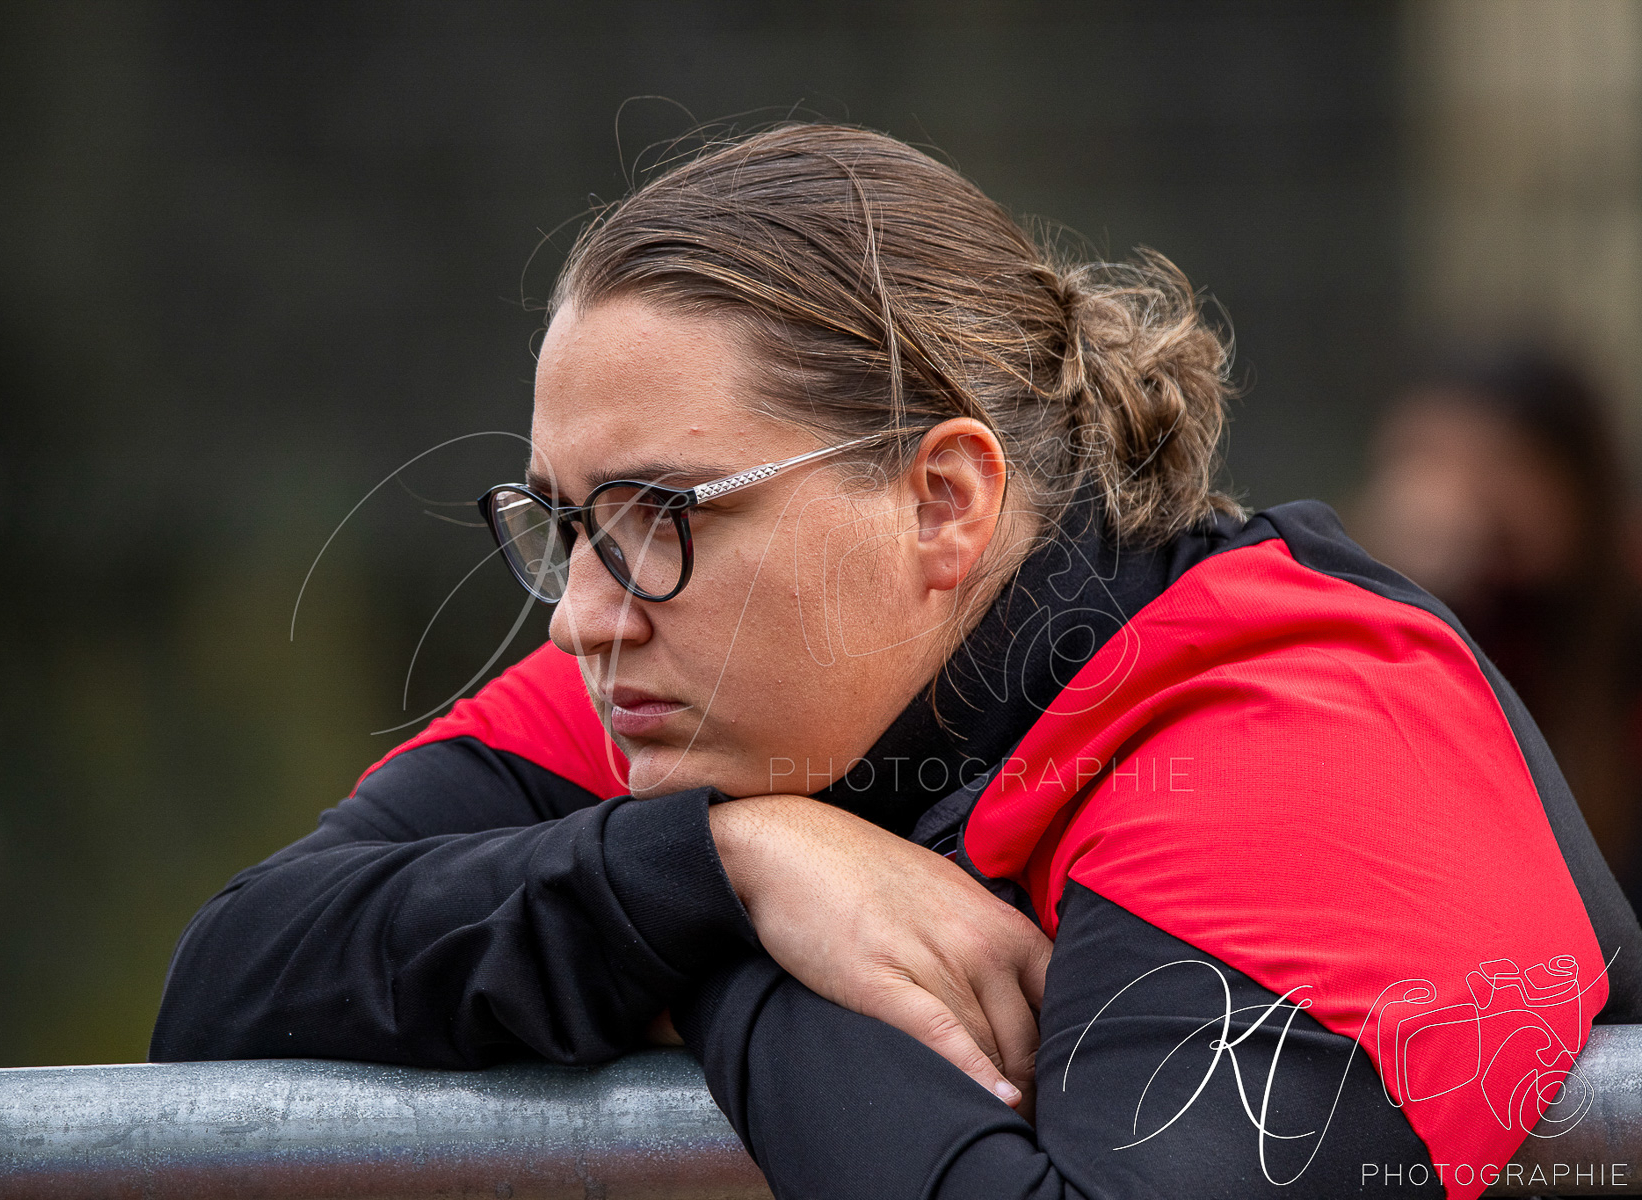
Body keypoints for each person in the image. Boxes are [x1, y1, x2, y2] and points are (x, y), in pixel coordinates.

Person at [152, 125, 1642, 1198]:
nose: (581, 613)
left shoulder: (1299, 728)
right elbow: (229, 988)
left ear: (943, 502)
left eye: (664, 512)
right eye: (563, 524)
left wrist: (710, 947)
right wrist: (730, 866)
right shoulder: (699, 701)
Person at [1352, 351, 1642, 909]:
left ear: (1576, 479)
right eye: (1420, 465)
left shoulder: (1611, 634)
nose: (1454, 506)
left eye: (1497, 466)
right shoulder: (1391, 619)